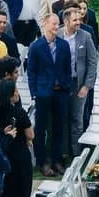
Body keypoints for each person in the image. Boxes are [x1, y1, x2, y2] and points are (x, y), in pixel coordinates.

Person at [25, 10, 76, 176]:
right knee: (41, 129)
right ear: (45, 25)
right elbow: (31, 72)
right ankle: (42, 161)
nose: (56, 26)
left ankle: (57, 160)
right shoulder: (36, 46)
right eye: (53, 23)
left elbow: (67, 68)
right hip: (43, 92)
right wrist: (34, 93)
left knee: (58, 127)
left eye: (57, 24)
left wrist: (66, 85)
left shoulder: (63, 45)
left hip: (60, 91)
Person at [0, 60, 34, 197]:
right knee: (21, 191)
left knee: (7, 192)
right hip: (19, 156)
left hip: (5, 156)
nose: (18, 93)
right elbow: (30, 134)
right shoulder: (18, 112)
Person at [64, 4, 99, 133]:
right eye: (75, 20)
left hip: (78, 83)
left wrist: (86, 86)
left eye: (79, 19)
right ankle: (64, 151)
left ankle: (77, 150)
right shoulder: (59, 35)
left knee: (76, 118)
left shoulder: (85, 36)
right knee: (62, 117)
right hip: (61, 84)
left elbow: (92, 62)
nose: (79, 22)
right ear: (66, 21)